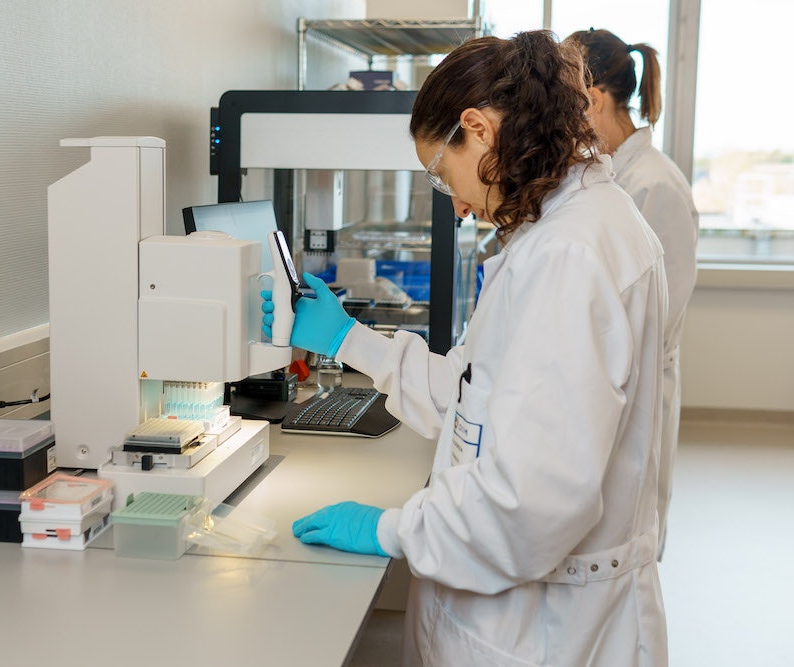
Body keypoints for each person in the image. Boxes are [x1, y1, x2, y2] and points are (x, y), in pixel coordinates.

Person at [262, 31, 669, 666]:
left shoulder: (569, 256)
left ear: (477, 129)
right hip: (522, 610)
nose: (453, 203)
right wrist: (351, 340)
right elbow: (471, 395)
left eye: (440, 171)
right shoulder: (557, 231)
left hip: (543, 626)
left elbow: (532, 501)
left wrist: (391, 529)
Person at [566, 28, 699, 558]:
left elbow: (656, 319)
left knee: (624, 545)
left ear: (594, 100)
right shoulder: (612, 175)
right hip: (603, 388)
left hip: (632, 393)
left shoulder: (654, 186)